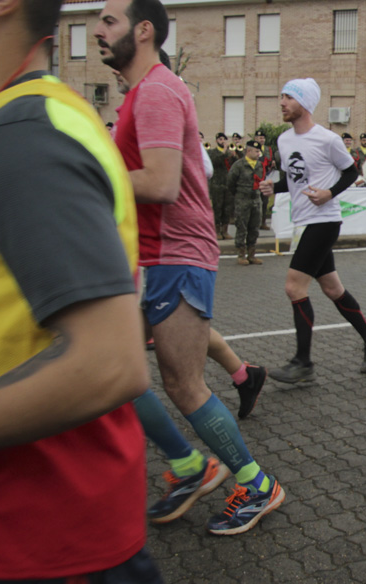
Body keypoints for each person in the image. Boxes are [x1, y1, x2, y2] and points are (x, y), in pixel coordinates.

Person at [0, 0, 167, 584]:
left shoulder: (21, 135)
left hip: (38, 535)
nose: (97, 31)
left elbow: (109, 363)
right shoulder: (19, 121)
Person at [99, 0, 284, 535]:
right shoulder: (142, 94)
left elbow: (159, 182)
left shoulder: (156, 91)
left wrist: (87, 171)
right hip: (151, 257)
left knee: (183, 384)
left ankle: (255, 484)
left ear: (145, 29)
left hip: (176, 256)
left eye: (109, 21)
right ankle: (189, 466)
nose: (96, 32)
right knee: (116, 373)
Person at [260, 78, 366, 380]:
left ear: (304, 103)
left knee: (294, 287)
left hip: (324, 221)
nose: (281, 102)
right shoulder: (284, 140)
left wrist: (329, 193)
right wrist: (275, 186)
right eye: (281, 96)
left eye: (288, 97)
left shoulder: (327, 139)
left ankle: (303, 363)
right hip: (303, 221)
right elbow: (296, 180)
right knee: (332, 289)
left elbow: (351, 172)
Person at [228, 139, 266, 265]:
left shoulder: (259, 165)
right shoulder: (239, 165)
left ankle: (251, 255)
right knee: (242, 227)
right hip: (242, 199)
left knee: (254, 227)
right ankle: (241, 254)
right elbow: (231, 182)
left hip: (256, 199)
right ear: (248, 151)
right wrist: (239, 194)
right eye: (256, 151)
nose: (258, 153)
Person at [207, 131, 231, 238]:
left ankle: (225, 230)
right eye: (220, 139)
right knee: (217, 208)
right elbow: (214, 162)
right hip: (216, 184)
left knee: (227, 208)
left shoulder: (230, 153)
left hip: (227, 184)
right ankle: (216, 231)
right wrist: (224, 152)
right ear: (216, 141)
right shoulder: (212, 152)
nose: (222, 141)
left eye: (224, 139)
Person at [254, 128, 276, 230]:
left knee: (264, 201)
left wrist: (272, 163)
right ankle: (255, 222)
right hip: (255, 178)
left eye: (263, 137)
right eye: (259, 137)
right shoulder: (252, 148)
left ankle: (263, 222)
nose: (262, 139)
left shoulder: (268, 149)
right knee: (255, 202)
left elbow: (270, 160)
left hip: (265, 176)